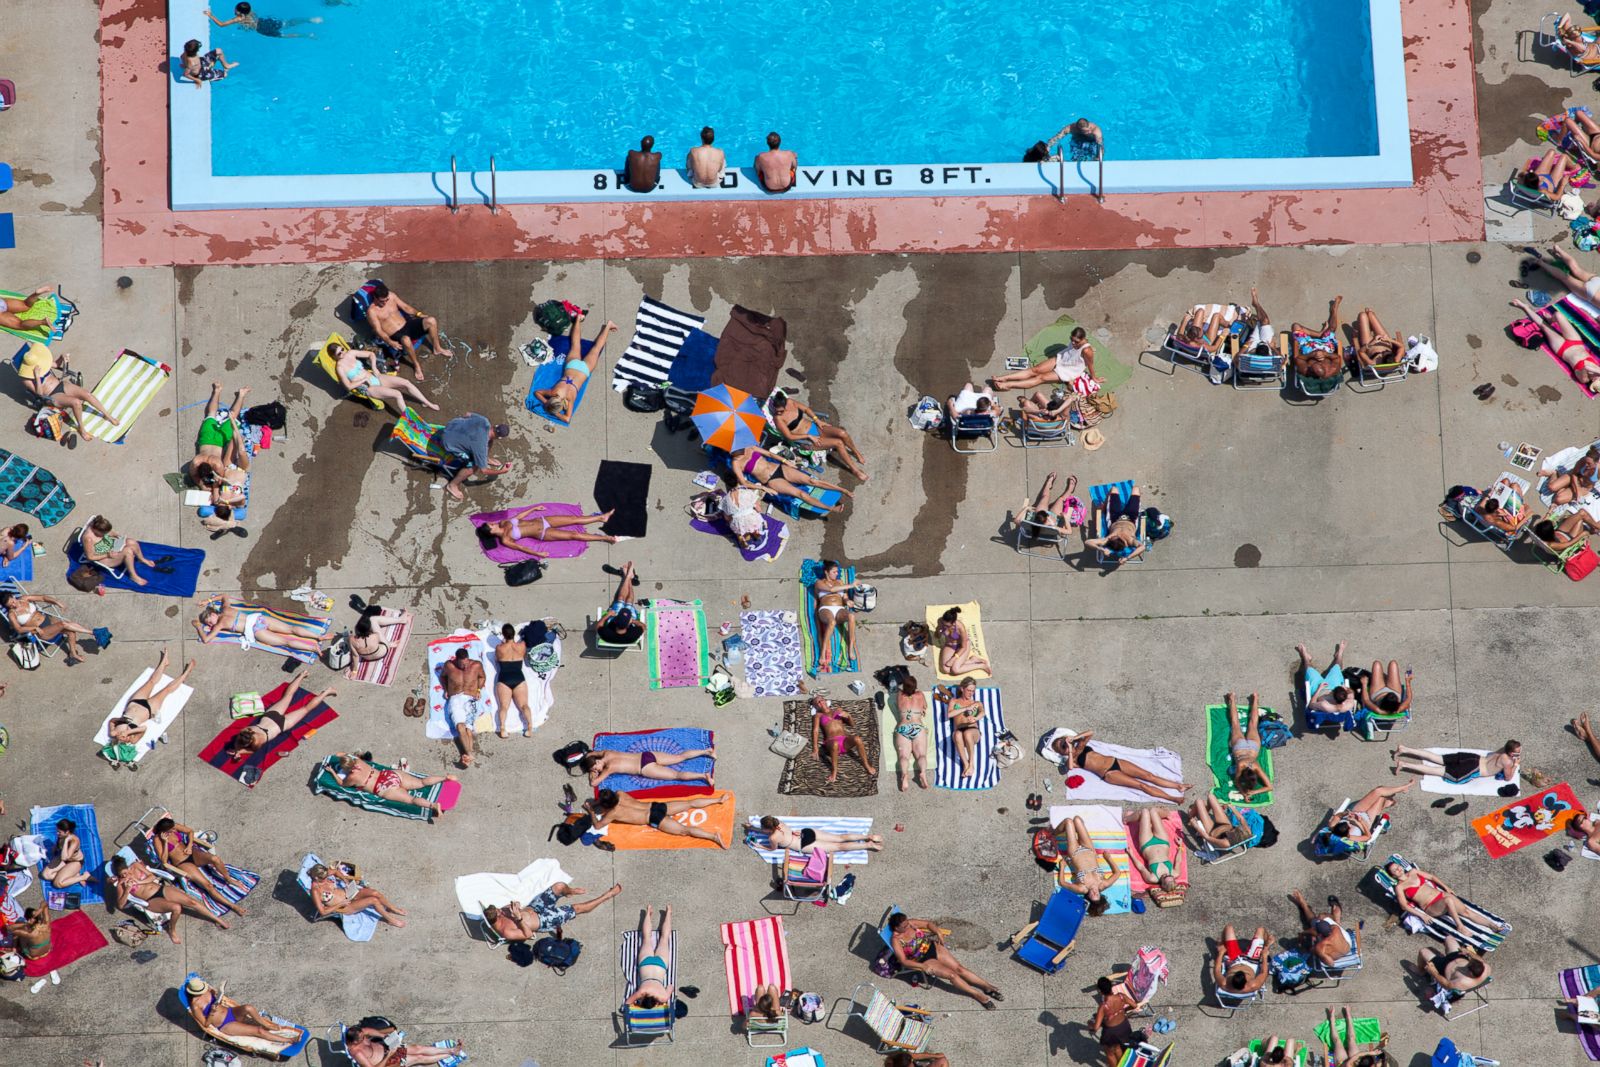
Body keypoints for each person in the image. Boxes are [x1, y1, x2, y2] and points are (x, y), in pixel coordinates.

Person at [888, 912, 1002, 1009]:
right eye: (904, 926)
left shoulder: (910, 923)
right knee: (952, 975)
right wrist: (922, 967)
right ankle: (977, 995)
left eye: (907, 923)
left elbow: (928, 924)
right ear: (896, 928)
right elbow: (903, 961)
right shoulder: (896, 940)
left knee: (959, 969)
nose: (908, 926)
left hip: (933, 947)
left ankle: (987, 986)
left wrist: (938, 932)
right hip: (923, 959)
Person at [111, 854, 230, 943]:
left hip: (161, 889)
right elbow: (120, 905)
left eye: (126, 872)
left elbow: (152, 876)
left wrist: (138, 881)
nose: (126, 876)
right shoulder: (121, 884)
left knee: (191, 901)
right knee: (176, 908)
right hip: (151, 900)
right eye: (122, 875)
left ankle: (217, 920)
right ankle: (172, 930)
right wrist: (127, 890)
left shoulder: (136, 866)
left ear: (128, 867)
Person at [15, 343, 119, 440]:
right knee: (76, 402)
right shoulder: (26, 378)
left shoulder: (40, 362)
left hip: (61, 385)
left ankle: (107, 415)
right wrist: (37, 377)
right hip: (52, 395)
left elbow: (55, 364)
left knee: (87, 394)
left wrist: (62, 357)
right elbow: (39, 394)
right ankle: (82, 429)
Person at [1050, 730, 1191, 800]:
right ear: (1062, 753)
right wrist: (1068, 752)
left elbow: (1090, 732)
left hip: (1116, 762)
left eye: (1063, 742)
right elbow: (1069, 768)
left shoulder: (1080, 746)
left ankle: (1178, 786)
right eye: (1062, 747)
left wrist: (1073, 738)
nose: (1065, 746)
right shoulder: (1072, 760)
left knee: (1149, 776)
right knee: (1142, 786)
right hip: (1109, 774)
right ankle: (1173, 798)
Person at [531, 313, 618, 425]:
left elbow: (567, 418)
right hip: (572, 366)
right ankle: (578, 319)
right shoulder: (553, 392)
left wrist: (556, 413)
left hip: (584, 370)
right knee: (575, 344)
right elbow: (537, 392)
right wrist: (546, 402)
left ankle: (608, 326)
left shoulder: (570, 398)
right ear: (551, 400)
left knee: (597, 349)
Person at [151, 816, 250, 915]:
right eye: (171, 829)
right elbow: (163, 861)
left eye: (173, 828)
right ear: (164, 830)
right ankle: (233, 906)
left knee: (215, 859)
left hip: (192, 853)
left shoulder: (174, 826)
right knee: (208, 885)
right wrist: (165, 842)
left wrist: (189, 846)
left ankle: (229, 879)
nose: (174, 830)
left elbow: (190, 831)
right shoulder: (157, 839)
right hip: (183, 863)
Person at [225, 670, 336, 759]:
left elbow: (251, 750)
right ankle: (302, 675)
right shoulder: (246, 730)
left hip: (280, 725)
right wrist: (237, 748)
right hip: (269, 716)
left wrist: (239, 751)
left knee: (306, 709)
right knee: (287, 696)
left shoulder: (257, 742)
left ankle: (327, 692)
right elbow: (239, 740)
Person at [1381, 860, 1509, 934]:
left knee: (1466, 911)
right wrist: (1422, 915)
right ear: (1393, 875)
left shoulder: (1413, 872)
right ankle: (1460, 926)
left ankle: (1493, 926)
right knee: (1448, 900)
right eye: (1395, 870)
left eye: (1398, 867)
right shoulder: (1400, 887)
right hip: (1431, 906)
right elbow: (1404, 905)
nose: (1398, 869)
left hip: (1441, 896)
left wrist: (1446, 887)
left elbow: (1431, 877)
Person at [768, 391, 868, 481]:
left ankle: (855, 451)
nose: (778, 413)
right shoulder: (778, 419)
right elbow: (789, 436)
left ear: (785, 404)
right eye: (777, 411)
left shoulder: (790, 402)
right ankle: (855, 470)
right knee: (839, 443)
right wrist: (808, 436)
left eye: (781, 410)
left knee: (842, 433)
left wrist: (817, 420)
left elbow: (806, 409)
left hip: (815, 427)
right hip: (806, 440)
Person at [107, 650, 196, 747]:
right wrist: (128, 733)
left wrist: (121, 719)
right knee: (166, 690)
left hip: (134, 703)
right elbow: (143, 728)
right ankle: (186, 673)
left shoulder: (113, 733)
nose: (122, 738)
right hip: (149, 709)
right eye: (123, 739)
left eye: (120, 739)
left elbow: (112, 721)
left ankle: (164, 662)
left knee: (151, 681)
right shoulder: (133, 740)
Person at [731, 445, 851, 515]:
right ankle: (831, 508)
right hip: (771, 480)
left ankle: (843, 490)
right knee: (801, 494)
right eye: (739, 453)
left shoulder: (749, 448)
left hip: (779, 468)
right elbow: (744, 482)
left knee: (813, 481)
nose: (743, 453)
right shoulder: (736, 463)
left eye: (742, 450)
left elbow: (770, 454)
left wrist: (785, 461)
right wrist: (763, 488)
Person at [482, 882, 622, 942]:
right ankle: (607, 896)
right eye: (499, 911)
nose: (501, 909)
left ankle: (570, 891)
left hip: (535, 907)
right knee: (578, 908)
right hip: (544, 920)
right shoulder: (506, 931)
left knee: (559, 886)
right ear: (498, 917)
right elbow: (528, 934)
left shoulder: (498, 913)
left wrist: (516, 906)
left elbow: (514, 904)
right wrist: (518, 918)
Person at [586, 789, 730, 847]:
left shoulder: (612, 813)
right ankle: (718, 800)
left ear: (605, 806)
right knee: (689, 803)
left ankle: (713, 837)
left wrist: (591, 810)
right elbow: (611, 799)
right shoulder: (620, 793)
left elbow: (598, 826)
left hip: (653, 818)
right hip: (655, 806)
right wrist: (601, 801)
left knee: (684, 831)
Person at [362, 281, 445, 379]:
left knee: (431, 320)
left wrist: (418, 314)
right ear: (375, 298)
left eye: (386, 300)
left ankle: (437, 348)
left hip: (407, 325)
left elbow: (405, 307)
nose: (385, 303)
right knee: (405, 339)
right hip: (395, 334)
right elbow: (378, 330)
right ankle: (416, 365)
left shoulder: (391, 296)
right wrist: (390, 342)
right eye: (381, 301)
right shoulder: (371, 312)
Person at [331, 753, 456, 818]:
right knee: (421, 782)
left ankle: (432, 805)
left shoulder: (352, 777)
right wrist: (342, 757)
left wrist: (332, 771)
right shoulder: (358, 760)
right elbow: (341, 753)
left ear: (347, 768)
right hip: (389, 775)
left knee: (411, 799)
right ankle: (444, 778)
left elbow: (342, 784)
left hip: (382, 787)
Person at [184, 976, 303, 1044]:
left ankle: (267, 1024)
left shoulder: (207, 990)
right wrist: (212, 1012)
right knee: (258, 1031)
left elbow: (216, 997)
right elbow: (205, 1024)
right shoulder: (195, 1005)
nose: (205, 990)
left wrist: (218, 994)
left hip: (231, 1012)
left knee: (248, 1007)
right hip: (226, 1024)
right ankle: (290, 1040)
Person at [476, 504, 620, 560]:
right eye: (491, 525)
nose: (493, 523)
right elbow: (521, 547)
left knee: (573, 519)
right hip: (543, 534)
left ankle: (601, 517)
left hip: (543, 520)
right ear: (491, 531)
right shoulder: (505, 540)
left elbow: (519, 517)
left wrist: (533, 509)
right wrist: (538, 554)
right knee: (573, 535)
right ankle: (605, 538)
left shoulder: (503, 523)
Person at [329, 341, 436, 415]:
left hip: (376, 377)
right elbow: (348, 386)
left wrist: (374, 367)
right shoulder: (340, 368)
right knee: (397, 394)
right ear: (334, 357)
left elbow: (371, 354)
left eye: (342, 349)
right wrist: (363, 380)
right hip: (369, 388)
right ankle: (410, 421)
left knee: (406, 382)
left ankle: (427, 402)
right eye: (339, 353)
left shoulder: (351, 353)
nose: (343, 352)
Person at [195, 596, 325, 657]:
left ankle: (314, 646)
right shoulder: (226, 608)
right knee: (290, 630)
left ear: (213, 614)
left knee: (287, 641)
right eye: (208, 624)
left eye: (209, 621)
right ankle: (318, 638)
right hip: (259, 619)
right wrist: (208, 601)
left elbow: (206, 640)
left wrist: (198, 627)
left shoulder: (220, 624)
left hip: (255, 630)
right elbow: (224, 596)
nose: (210, 625)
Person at [988, 328, 1101, 396]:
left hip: (1068, 370)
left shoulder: (1087, 350)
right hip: (1062, 359)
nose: (1073, 343)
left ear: (1083, 339)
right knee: (1035, 369)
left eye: (1076, 341)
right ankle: (1004, 378)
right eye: (1071, 339)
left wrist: (1094, 377)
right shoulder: (1074, 341)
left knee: (1040, 378)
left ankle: (1008, 385)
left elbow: (1090, 364)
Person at [187, 382, 252, 488]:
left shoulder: (216, 464)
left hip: (220, 440)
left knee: (233, 416)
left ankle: (241, 394)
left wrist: (203, 486)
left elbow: (217, 481)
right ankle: (217, 390)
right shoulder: (196, 461)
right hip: (206, 438)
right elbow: (195, 474)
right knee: (211, 414)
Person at [435, 412, 512, 501]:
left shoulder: (484, 421)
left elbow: (467, 414)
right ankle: (452, 485)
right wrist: (502, 471)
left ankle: (485, 458)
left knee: (489, 441)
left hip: (451, 427)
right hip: (446, 443)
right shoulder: (481, 446)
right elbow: (484, 470)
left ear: (495, 426)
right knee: (473, 466)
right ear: (500, 438)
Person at [0, 589, 91, 664]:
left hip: (48, 620)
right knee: (63, 624)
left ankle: (73, 654)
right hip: (42, 630)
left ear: (13, 596)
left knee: (70, 630)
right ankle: (92, 632)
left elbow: (43, 598)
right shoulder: (12, 614)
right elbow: (19, 629)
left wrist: (57, 602)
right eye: (10, 605)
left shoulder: (24, 599)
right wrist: (33, 628)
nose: (14, 605)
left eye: (13, 601)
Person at [307, 861, 407, 928]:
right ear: (316, 878)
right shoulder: (316, 891)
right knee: (373, 900)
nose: (326, 879)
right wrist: (340, 904)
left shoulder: (324, 873)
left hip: (349, 893)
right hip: (345, 906)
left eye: (326, 876)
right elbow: (323, 912)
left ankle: (392, 908)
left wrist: (344, 880)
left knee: (375, 893)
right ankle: (390, 920)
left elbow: (335, 871)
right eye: (323, 878)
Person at [1053, 814, 1117, 916]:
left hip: (1074, 852)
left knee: (1068, 821)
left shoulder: (1082, 889)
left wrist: (1062, 867)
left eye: (1092, 895)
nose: (1094, 892)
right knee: (1077, 819)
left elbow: (1062, 883)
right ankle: (1076, 829)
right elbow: (1117, 873)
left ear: (1088, 897)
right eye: (1097, 895)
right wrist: (1109, 859)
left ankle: (1052, 833)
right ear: (1101, 896)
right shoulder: (1103, 884)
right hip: (1089, 849)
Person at [344, 1017, 463, 1067]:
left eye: (363, 1035)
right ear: (354, 1042)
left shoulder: (360, 1032)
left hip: (388, 1048)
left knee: (417, 1048)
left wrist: (386, 1037)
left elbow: (374, 1032)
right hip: (387, 1062)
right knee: (418, 1057)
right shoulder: (357, 1053)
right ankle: (450, 1054)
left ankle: (452, 1050)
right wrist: (389, 1055)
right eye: (361, 1039)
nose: (365, 1037)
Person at [1219, 692, 1272, 800]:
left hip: (1252, 747)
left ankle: (1254, 697)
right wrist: (1247, 793)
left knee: (1252, 723)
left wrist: (1249, 793)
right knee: (1235, 723)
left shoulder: (1255, 766)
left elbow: (1270, 787)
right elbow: (1237, 781)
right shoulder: (1241, 766)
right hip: (1239, 748)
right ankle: (1232, 698)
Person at [810, 695, 876, 783]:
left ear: (825, 701)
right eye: (818, 702)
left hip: (844, 740)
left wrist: (849, 716)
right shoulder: (818, 715)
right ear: (816, 706)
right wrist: (815, 748)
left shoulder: (838, 710)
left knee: (857, 739)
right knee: (835, 744)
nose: (821, 702)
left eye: (822, 699)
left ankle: (866, 765)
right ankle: (834, 771)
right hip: (831, 742)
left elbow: (852, 724)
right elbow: (815, 731)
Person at [1391, 740, 1519, 785]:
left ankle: (1405, 749)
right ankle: (1404, 765)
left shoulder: (1503, 750)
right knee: (1437, 771)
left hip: (1473, 758)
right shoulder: (1508, 762)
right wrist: (1515, 765)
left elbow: (1491, 755)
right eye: (1517, 752)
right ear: (1511, 753)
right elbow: (1508, 778)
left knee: (1437, 758)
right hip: (1473, 769)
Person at [583, 746, 714, 788]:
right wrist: (589, 758)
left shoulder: (609, 768)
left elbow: (594, 783)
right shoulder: (606, 752)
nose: (596, 771)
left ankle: (703, 776)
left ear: (597, 762)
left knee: (676, 775)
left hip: (645, 768)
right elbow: (590, 753)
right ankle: (707, 751)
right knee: (679, 757)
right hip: (646, 756)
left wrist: (592, 775)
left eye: (595, 768)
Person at [1298, 641, 1361, 728]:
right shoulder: (1348, 704)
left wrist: (1319, 689)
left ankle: (1306, 658)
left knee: (1309, 671)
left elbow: (1311, 705)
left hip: (1318, 690)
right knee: (1337, 669)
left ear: (1332, 693)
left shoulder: (1326, 705)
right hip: (1332, 685)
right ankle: (1339, 655)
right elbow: (1351, 693)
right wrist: (1345, 688)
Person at [441, 646, 486, 767]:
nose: (465, 667)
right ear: (456, 660)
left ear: (468, 658)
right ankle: (469, 753)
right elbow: (442, 676)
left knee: (468, 731)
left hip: (471, 699)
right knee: (461, 727)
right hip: (455, 698)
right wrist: (445, 689)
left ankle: (468, 755)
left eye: (466, 663)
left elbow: (482, 677)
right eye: (462, 665)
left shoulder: (476, 665)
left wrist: (478, 690)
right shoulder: (449, 666)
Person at [79, 515, 156, 586]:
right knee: (128, 551)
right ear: (95, 530)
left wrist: (118, 536)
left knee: (131, 541)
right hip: (103, 558)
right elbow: (90, 557)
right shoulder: (88, 539)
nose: (105, 534)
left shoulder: (98, 523)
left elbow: (110, 532)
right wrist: (107, 555)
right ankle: (133, 576)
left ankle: (142, 559)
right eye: (103, 534)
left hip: (110, 549)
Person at [1289, 889, 1357, 967]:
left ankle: (1304, 905)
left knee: (1314, 921)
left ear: (1319, 934)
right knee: (1324, 918)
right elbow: (1317, 931)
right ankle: (1336, 918)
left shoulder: (1320, 948)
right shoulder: (1335, 929)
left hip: (1334, 954)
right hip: (1348, 944)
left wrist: (1316, 952)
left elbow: (1331, 964)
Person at [1326, 782, 1413, 844]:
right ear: (1348, 833)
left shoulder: (1332, 826)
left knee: (1378, 790)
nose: (1349, 823)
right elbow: (1368, 837)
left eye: (1346, 822)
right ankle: (1387, 800)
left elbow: (1338, 815)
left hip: (1357, 810)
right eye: (1349, 826)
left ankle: (1401, 789)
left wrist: (1345, 814)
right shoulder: (1351, 838)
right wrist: (1359, 822)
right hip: (1367, 819)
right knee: (1382, 797)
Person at [625, 905, 675, 1010]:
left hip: (660, 966)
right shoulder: (641, 993)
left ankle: (668, 913)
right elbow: (627, 1003)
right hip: (645, 964)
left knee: (664, 939)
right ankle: (648, 912)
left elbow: (670, 987)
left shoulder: (663, 997)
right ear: (643, 1000)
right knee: (646, 938)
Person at [813, 559, 861, 668]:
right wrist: (851, 585)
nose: (837, 574)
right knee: (832, 622)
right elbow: (832, 589)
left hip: (839, 609)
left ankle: (850, 649)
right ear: (826, 572)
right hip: (825, 609)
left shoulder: (840, 582)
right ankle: (823, 652)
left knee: (851, 616)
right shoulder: (819, 583)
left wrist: (847, 601)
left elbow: (844, 596)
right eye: (834, 572)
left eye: (837, 572)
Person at [935, 677, 985, 779]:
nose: (971, 693)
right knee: (957, 734)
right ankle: (965, 765)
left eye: (973, 691)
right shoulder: (954, 701)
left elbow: (982, 713)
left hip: (973, 731)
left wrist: (975, 718)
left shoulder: (977, 703)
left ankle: (971, 764)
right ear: (962, 689)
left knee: (967, 733)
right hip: (959, 730)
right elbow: (949, 715)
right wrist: (966, 708)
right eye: (969, 690)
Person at [1084, 482, 1147, 563]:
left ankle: (1105, 505)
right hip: (1132, 518)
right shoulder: (1130, 540)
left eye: (1114, 536)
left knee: (1114, 489)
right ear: (1124, 542)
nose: (1117, 534)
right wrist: (1127, 558)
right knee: (1136, 489)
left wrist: (1101, 549)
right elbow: (1142, 547)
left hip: (1114, 518)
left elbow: (1087, 542)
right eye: (1117, 536)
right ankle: (1135, 499)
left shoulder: (1107, 539)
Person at [1127, 807, 1181, 895]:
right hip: (1163, 842)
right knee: (1153, 811)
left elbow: (1141, 868)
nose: (1166, 874)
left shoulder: (1152, 878)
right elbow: (1178, 861)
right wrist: (1180, 847)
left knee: (1144, 812)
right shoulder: (1175, 873)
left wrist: (1131, 854)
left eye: (1165, 877)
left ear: (1162, 883)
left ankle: (1126, 819)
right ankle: (1166, 813)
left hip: (1147, 844)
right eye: (1169, 876)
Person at [758, 816, 883, 854]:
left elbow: (772, 848)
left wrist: (760, 846)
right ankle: (868, 836)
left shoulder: (772, 837)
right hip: (806, 832)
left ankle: (868, 844)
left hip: (803, 844)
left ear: (769, 829)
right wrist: (752, 828)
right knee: (840, 837)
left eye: (763, 829)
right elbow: (767, 829)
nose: (762, 830)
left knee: (839, 846)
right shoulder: (778, 822)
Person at [1185, 795, 1269, 851]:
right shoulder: (1247, 832)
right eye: (1236, 830)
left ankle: (1190, 818)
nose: (1236, 829)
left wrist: (1196, 826)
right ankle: (1203, 811)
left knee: (1199, 801)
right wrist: (1231, 807)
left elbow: (1208, 838)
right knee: (1211, 797)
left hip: (1213, 831)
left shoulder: (1226, 844)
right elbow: (1241, 819)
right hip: (1225, 824)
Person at [1290, 296, 1345, 380]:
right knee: (1332, 329)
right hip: (1326, 348)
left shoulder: (1305, 370)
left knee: (1295, 326)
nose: (1311, 366)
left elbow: (1297, 358)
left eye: (1311, 366)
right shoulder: (1333, 369)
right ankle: (1334, 310)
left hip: (1309, 348)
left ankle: (1320, 334)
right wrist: (1325, 354)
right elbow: (1337, 358)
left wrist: (1311, 355)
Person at [1413, 935, 1490, 995]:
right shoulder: (1486, 967)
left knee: (1423, 951)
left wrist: (1433, 972)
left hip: (1443, 967)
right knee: (1449, 938)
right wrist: (1468, 952)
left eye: (1467, 966)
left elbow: (1446, 985)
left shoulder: (1462, 982)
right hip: (1458, 957)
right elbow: (1480, 960)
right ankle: (1444, 955)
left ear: (1470, 973)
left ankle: (1421, 971)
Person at [891, 675, 931, 791]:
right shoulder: (920, 695)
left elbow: (898, 699)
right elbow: (925, 706)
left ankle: (904, 775)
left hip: (903, 727)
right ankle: (922, 773)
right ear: (915, 687)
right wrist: (922, 708)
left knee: (903, 756)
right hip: (917, 726)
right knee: (922, 755)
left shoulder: (899, 695)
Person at [1213, 924, 1273, 999]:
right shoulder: (1253, 985)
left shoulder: (1224, 983)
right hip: (1251, 962)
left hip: (1233, 960)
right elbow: (1264, 972)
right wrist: (1264, 955)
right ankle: (1267, 944)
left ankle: (1221, 945)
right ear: (1246, 982)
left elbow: (1217, 970)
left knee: (1228, 928)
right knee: (1260, 930)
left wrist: (1221, 952)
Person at [1089, 982, 1142, 1066]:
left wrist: (1090, 1024)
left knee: (1110, 1052)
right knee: (1117, 1048)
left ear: (1101, 992)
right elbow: (1134, 1005)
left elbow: (1096, 1027)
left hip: (1111, 1032)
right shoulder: (1121, 996)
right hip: (1124, 1026)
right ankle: (1123, 1064)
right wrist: (1123, 1010)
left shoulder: (1103, 1007)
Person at [1323, 1005, 1389, 1067]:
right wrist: (1373, 1054)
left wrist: (1370, 1053)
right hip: (1356, 1062)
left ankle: (1332, 1019)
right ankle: (1348, 1015)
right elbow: (1358, 1057)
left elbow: (1356, 1057)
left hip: (1342, 1063)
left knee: (1337, 1041)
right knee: (1351, 1039)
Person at [597, 561, 646, 644]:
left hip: (620, 623)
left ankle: (627, 576)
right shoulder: (632, 635)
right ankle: (629, 577)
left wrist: (608, 615)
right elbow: (643, 626)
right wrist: (633, 621)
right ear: (628, 625)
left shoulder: (607, 634)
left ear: (615, 620)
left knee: (621, 599)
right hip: (625, 623)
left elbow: (599, 626)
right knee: (629, 601)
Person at [205, 3, 320, 37]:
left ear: (239, 12)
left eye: (236, 9)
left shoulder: (238, 18)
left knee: (284, 35)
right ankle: (310, 20)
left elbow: (221, 24)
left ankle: (307, 35)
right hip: (265, 21)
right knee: (287, 23)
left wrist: (211, 15)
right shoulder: (250, 12)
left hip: (261, 28)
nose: (234, 10)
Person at [933, 606, 989, 677]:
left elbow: (964, 647)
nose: (945, 626)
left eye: (947, 625)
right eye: (944, 624)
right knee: (946, 669)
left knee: (955, 670)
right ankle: (972, 661)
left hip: (962, 646)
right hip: (949, 645)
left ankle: (981, 666)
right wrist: (938, 631)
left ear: (953, 623)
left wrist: (953, 659)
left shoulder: (960, 628)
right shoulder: (940, 621)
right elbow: (937, 636)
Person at [41, 819, 93, 889]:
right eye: (57, 831)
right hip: (64, 858)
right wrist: (54, 848)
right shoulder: (61, 836)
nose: (57, 833)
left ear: (67, 832)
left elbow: (64, 857)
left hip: (75, 862)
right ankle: (71, 875)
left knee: (58, 884)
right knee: (46, 875)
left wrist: (66, 840)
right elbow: (58, 845)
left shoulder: (74, 841)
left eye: (59, 832)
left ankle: (83, 876)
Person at [1534, 507, 1600, 547]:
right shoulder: (1552, 545)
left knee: (1581, 512)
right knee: (1580, 520)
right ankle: (1594, 528)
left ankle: (1595, 527)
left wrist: (1550, 511)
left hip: (1560, 532)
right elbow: (1568, 544)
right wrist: (1582, 535)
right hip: (1569, 538)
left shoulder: (1539, 532)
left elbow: (1544, 523)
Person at [884, 1053, 949, 1067]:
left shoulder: (902, 1057)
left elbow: (916, 1056)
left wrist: (935, 1056)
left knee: (942, 1060)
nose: (912, 1061)